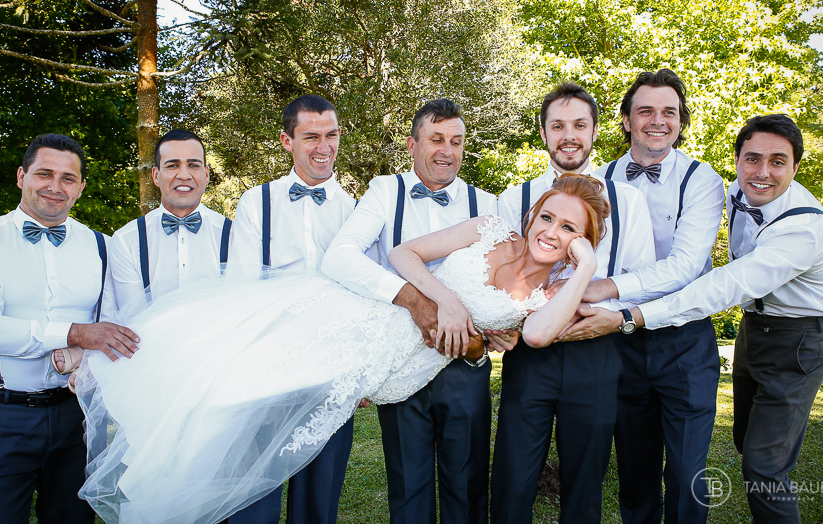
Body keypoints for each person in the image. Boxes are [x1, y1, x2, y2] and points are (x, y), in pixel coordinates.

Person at [72, 175, 607, 524]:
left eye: (569, 229)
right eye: (547, 217)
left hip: (386, 369)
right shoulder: (489, 229)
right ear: (532, 215)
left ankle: (177, 468)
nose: (551, 231)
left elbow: (536, 335)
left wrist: (584, 265)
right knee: (240, 380)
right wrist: (443, 300)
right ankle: (162, 439)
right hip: (355, 319)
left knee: (262, 409)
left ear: (583, 241)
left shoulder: (555, 293)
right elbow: (404, 254)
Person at [621, 114, 823, 524]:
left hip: (804, 336)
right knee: (744, 439)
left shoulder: (803, 229)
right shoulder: (736, 192)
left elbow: (728, 284)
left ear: (796, 167)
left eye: (778, 161)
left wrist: (636, 315)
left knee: (765, 465)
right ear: (738, 160)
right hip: (755, 328)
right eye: (752, 159)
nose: (762, 172)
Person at [321, 98, 502, 524]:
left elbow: (504, 279)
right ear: (412, 145)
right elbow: (339, 257)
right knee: (409, 489)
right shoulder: (386, 191)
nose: (447, 151)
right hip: (400, 363)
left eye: (456, 141)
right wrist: (412, 298)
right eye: (436, 139)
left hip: (464, 361)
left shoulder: (488, 204)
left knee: (468, 488)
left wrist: (502, 323)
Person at [0, 134, 140, 524]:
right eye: (44, 174)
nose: (55, 186)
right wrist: (75, 333)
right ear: (22, 176)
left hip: (77, 418)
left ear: (81, 187)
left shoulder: (103, 247)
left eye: (68, 178)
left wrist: (85, 357)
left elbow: (114, 328)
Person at [492, 82, 656, 523]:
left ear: (595, 131)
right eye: (558, 125)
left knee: (585, 484)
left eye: (580, 125)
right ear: (543, 132)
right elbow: (500, 273)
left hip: (597, 352)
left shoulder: (629, 200)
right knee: (512, 476)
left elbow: (644, 278)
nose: (569, 136)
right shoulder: (514, 199)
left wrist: (607, 308)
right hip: (529, 354)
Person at [579, 69, 726, 523]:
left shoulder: (701, 180)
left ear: (681, 122)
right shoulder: (597, 179)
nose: (657, 121)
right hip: (619, 342)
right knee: (634, 471)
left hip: (683, 339)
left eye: (669, 112)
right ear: (626, 120)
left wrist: (608, 288)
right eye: (645, 111)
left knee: (686, 472)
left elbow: (684, 267)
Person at [228, 95, 357, 524]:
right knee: (255, 502)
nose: (324, 146)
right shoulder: (256, 203)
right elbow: (242, 292)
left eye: (331, 135)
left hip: (331, 373)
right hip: (267, 371)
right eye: (311, 137)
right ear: (287, 141)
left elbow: (363, 294)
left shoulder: (356, 209)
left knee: (318, 504)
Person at [109, 129, 233, 308]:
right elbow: (133, 316)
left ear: (206, 175)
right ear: (156, 176)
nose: (184, 175)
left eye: (193, 165)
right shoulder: (126, 240)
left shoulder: (233, 235)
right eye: (173, 165)